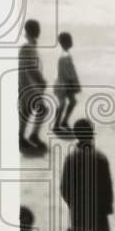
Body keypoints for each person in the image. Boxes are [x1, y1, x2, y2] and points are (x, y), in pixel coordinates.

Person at [60, 119, 113, 231]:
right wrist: (106, 208)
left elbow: (64, 187)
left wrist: (72, 204)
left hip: (78, 208)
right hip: (98, 208)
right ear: (92, 134)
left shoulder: (71, 158)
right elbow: (107, 186)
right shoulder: (100, 157)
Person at [18, 19, 48, 154]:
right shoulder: (28, 48)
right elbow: (32, 69)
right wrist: (42, 81)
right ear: (34, 31)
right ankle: (31, 136)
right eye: (37, 29)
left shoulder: (28, 47)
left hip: (27, 86)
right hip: (30, 86)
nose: (38, 31)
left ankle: (24, 137)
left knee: (27, 111)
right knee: (41, 110)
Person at [52, 32, 81, 135]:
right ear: (65, 43)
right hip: (62, 84)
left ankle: (63, 122)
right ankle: (56, 125)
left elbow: (69, 72)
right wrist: (75, 83)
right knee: (63, 104)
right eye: (69, 40)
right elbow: (68, 73)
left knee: (72, 102)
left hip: (65, 84)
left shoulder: (66, 55)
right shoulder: (65, 56)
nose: (71, 42)